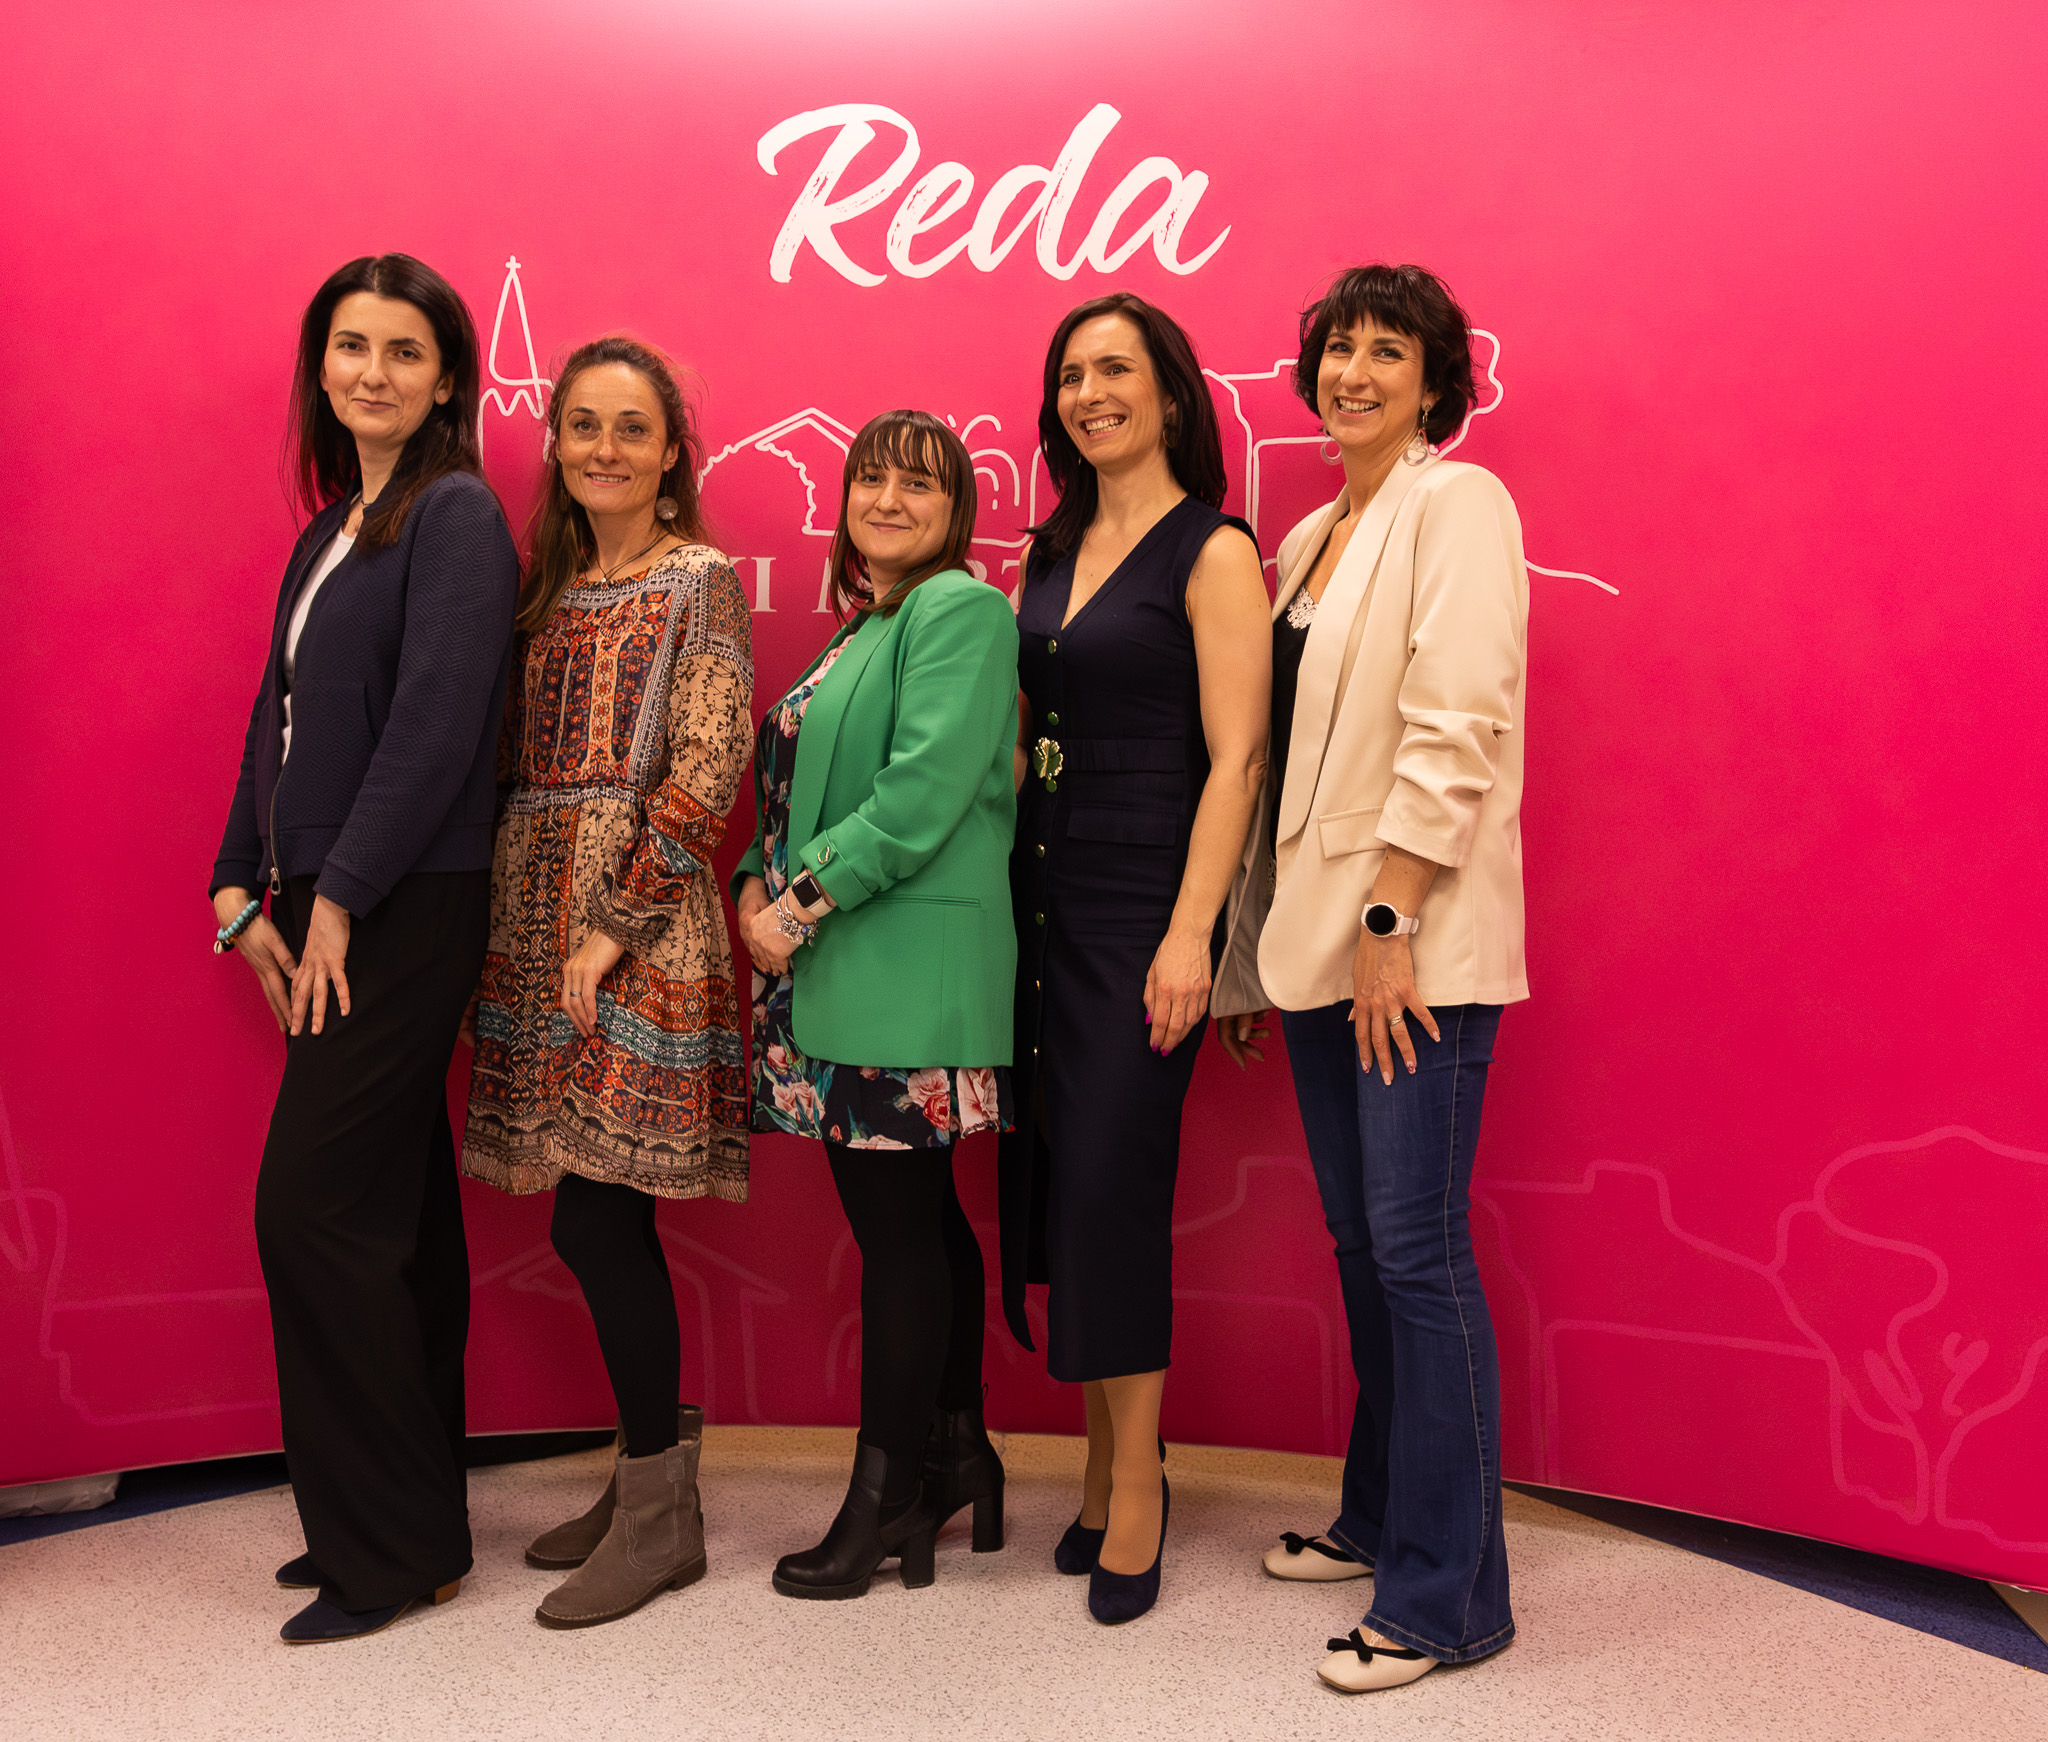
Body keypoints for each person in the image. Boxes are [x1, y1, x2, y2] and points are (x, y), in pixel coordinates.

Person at [1213, 263, 1530, 1693]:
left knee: (1414, 1250)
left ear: (1433, 379)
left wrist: (1393, 914)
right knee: (1361, 1245)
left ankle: (1448, 1598)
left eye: (1386, 350)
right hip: (1320, 947)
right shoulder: (1307, 538)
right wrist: (1254, 956)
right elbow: (1281, 763)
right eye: (1337, 348)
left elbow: (1456, 722)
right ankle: (1377, 1514)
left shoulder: (1456, 503)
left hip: (1413, 946)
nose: (1353, 371)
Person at [209, 253, 519, 1644]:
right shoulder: (334, 525)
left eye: (403, 350)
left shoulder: (456, 515)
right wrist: (238, 882)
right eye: (350, 345)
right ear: (321, 366)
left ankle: (384, 1549)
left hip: (407, 896)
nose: (372, 371)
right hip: (334, 889)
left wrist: (337, 894)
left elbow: (439, 722)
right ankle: (407, 1517)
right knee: (393, 1215)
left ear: (447, 378)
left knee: (313, 1209)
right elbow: (276, 712)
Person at [460, 337, 753, 1627]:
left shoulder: (701, 581)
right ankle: (648, 1476)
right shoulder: (545, 589)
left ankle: (659, 1516)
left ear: (672, 449)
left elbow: (708, 763)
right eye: (582, 424)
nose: (605, 448)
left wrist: (612, 926)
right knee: (594, 1218)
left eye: (632, 427)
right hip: (535, 919)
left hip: (636, 926)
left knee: (596, 1217)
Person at [1000, 293, 1270, 1624]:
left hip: (1140, 908)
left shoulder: (1212, 549)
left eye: (1114, 369)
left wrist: (1189, 933)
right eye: (1069, 374)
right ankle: (1106, 1464)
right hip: (1039, 901)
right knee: (1066, 1190)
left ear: (1169, 393)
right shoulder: (1050, 546)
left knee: (1113, 1188)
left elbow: (1239, 757)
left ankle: (1140, 1485)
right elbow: (1021, 731)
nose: (1088, 392)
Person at [733, 410, 1018, 1601]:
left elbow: (918, 795)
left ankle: (886, 1494)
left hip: (903, 969)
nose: (887, 500)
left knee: (899, 1236)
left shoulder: (959, 609)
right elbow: (793, 792)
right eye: (870, 480)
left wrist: (793, 905)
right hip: (847, 967)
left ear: (957, 512)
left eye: (919, 484)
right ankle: (956, 1453)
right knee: (924, 1222)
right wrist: (751, 880)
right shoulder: (864, 625)